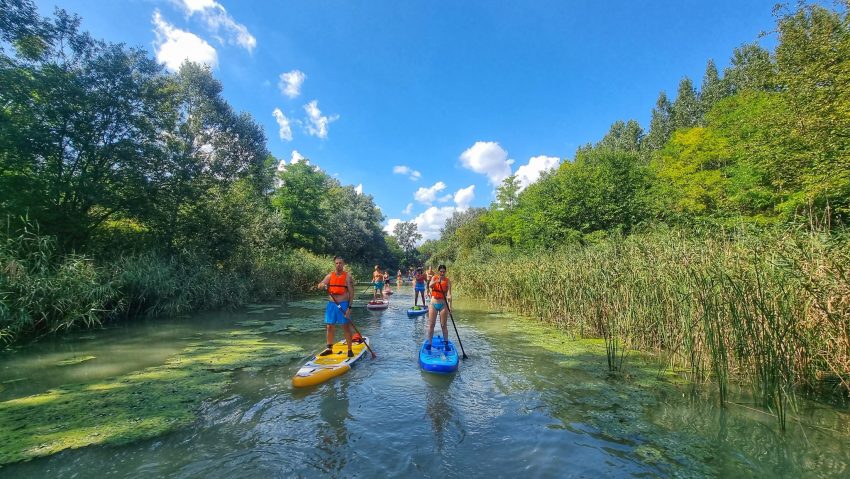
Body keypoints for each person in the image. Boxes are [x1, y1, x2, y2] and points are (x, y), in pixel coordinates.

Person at [317, 255, 356, 357]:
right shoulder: (329, 276)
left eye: (340, 263)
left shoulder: (347, 277)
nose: (338, 265)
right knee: (329, 326)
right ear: (335, 264)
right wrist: (322, 285)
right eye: (337, 263)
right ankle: (329, 348)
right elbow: (320, 285)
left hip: (343, 304)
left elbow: (352, 293)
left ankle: (349, 349)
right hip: (331, 304)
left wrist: (349, 308)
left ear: (343, 264)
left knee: (345, 327)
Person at [425, 264, 452, 351]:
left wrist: (450, 306)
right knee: (431, 324)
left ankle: (446, 343)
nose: (442, 273)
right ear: (439, 271)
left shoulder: (448, 281)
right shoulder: (434, 278)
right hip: (433, 303)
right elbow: (430, 286)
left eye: (444, 272)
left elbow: (449, 294)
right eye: (441, 271)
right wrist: (437, 281)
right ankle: (429, 343)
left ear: (445, 272)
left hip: (443, 304)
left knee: (443, 325)